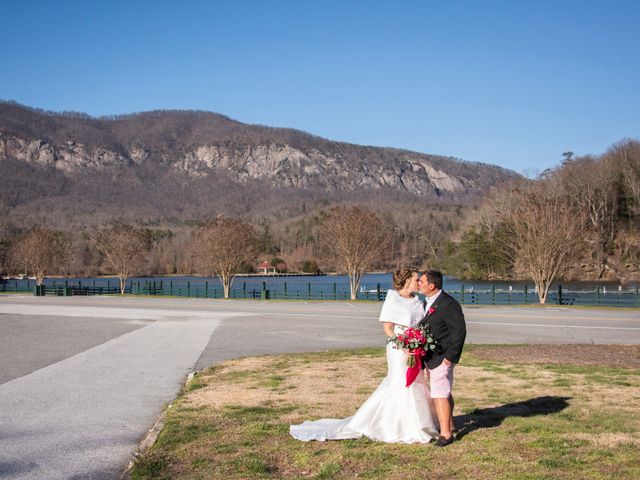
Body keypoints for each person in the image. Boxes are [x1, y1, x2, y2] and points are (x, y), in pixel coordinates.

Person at [290, 268, 439, 443]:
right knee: (400, 382)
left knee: (416, 382)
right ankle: (394, 426)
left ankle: (419, 423)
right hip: (398, 349)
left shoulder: (417, 301)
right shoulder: (393, 299)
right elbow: (388, 329)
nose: (419, 283)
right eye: (416, 279)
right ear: (407, 281)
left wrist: (418, 342)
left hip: (415, 348)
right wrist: (403, 345)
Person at [418, 270, 466, 447]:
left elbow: (459, 333)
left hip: (442, 357)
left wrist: (449, 358)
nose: (418, 284)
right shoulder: (426, 302)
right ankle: (450, 425)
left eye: (421, 281)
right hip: (430, 357)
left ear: (432, 285)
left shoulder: (448, 304)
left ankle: (445, 434)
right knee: (443, 392)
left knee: (439, 394)